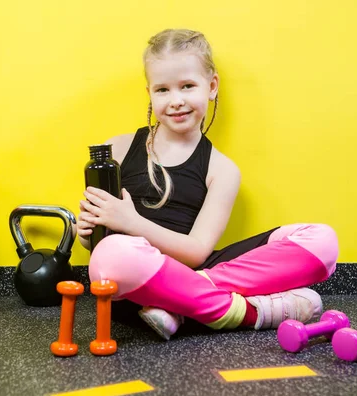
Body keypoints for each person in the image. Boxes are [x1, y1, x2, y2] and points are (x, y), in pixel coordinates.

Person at [77, 28, 339, 340]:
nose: (176, 101)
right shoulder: (116, 151)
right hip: (135, 278)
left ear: (211, 86)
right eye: (163, 90)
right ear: (149, 93)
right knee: (110, 256)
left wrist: (131, 221)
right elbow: (96, 243)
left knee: (322, 241)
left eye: (187, 86)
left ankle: (180, 304)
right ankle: (251, 312)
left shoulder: (222, 169)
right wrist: (88, 232)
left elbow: (196, 252)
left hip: (191, 267)